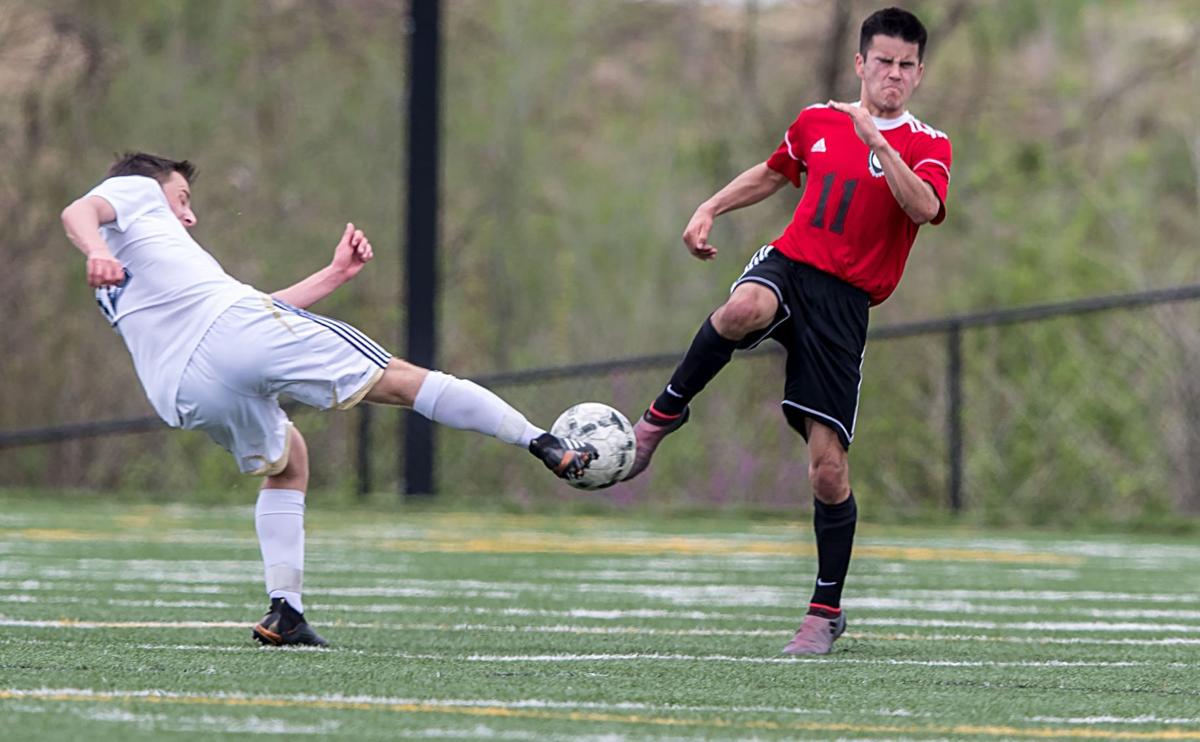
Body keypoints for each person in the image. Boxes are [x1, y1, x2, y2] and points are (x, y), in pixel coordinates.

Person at [61, 152, 597, 647]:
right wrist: (97, 248)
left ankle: (284, 611)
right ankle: (544, 442)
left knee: (289, 461)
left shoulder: (145, 268)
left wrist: (333, 275)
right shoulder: (132, 190)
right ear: (151, 188)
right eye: (183, 199)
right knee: (402, 380)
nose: (190, 216)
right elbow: (78, 210)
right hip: (227, 331)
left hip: (180, 387)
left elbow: (252, 314)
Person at [623, 7, 951, 655]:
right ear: (860, 63)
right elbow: (776, 172)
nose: (892, 74)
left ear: (919, 74)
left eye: (905, 65)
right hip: (792, 265)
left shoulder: (927, 143)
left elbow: (927, 208)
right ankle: (659, 418)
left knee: (827, 472)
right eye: (882, 61)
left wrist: (878, 141)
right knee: (743, 308)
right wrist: (709, 207)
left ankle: (824, 611)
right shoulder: (817, 120)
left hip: (845, 304)